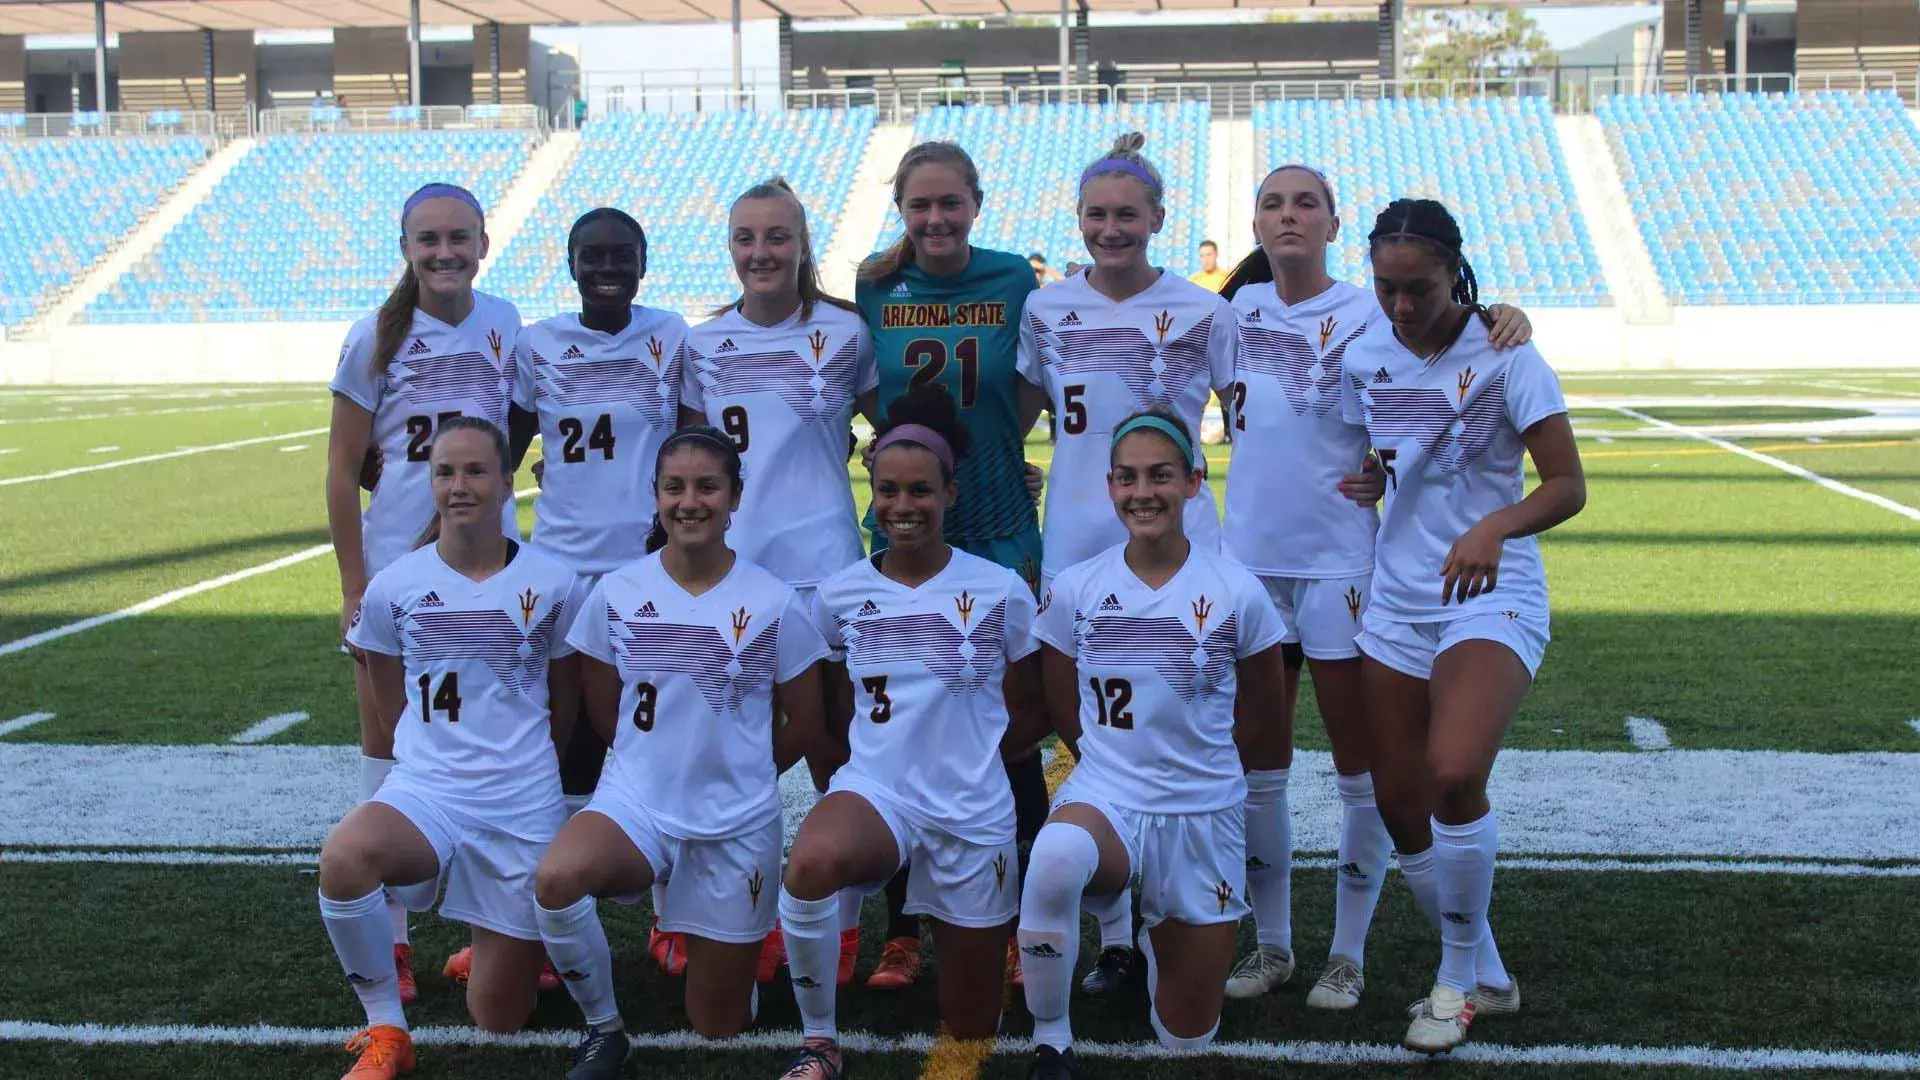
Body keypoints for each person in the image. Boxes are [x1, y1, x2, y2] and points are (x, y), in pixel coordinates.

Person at [1214, 166, 1533, 1007]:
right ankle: (1271, 943)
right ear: (1253, 222)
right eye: (1273, 203)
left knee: (1364, 772)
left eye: (1306, 203)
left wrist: (1507, 314)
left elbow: (1443, 345)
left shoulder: (1370, 307)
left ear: (1332, 222)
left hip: (1349, 562)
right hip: (1247, 561)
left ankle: (1347, 952)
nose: (1288, 216)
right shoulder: (1229, 313)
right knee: (1259, 765)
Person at [1340, 198, 1585, 1053]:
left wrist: (1493, 526)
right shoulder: (1364, 352)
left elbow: (1566, 485)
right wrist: (1375, 479)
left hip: (1492, 589)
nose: (1402, 306)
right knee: (1401, 805)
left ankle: (1451, 981)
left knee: (1452, 774)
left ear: (1457, 273)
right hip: (1396, 602)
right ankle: (1489, 970)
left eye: (1421, 288)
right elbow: (1386, 450)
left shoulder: (1510, 352)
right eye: (1387, 288)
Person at [532, 427, 830, 1078]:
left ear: (734, 498)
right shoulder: (615, 592)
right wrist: (654, 763)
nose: (689, 501)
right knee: (556, 880)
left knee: (718, 1025)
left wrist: (741, 772)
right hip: (638, 803)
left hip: (735, 820)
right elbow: (603, 708)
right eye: (674, 487)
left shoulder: (773, 600)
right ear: (656, 496)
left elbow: (805, 721)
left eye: (706, 487)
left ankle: (729, 957)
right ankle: (604, 1027)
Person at [774, 385, 1049, 1080]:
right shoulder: (838, 595)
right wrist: (853, 780)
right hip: (881, 792)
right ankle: (818, 1042)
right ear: (872, 493)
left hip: (973, 807)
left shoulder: (1000, 589)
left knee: (972, 1020)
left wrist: (972, 752)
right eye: (889, 490)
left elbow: (1032, 708)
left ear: (950, 495)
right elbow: (834, 712)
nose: (903, 507)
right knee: (809, 864)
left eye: (920, 491)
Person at [1016, 133, 1238, 991]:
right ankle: (1118, 934)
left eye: (1127, 215)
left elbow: (1252, 415)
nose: (1112, 229)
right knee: (1090, 725)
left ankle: (1191, 900)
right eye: (1097, 215)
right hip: (1075, 536)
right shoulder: (1046, 309)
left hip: (1182, 542)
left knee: (1185, 716)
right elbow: (1024, 408)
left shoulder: (1202, 310)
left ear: (1157, 220)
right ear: (1079, 220)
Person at [1020, 409, 1286, 1079]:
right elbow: (1060, 700)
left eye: (1161, 476)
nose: (1144, 493)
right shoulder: (1078, 588)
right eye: (1128, 478)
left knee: (1183, 1036)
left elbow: (1264, 716)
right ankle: (1051, 1042)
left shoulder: (1238, 591)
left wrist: (1206, 773)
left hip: (1202, 813)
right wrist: (1112, 769)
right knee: (1054, 858)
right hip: (1110, 796)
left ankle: (1155, 931)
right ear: (1109, 486)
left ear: (1194, 482)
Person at [320, 416, 578, 1080]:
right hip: (429, 791)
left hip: (521, 803)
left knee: (499, 1015)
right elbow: (389, 705)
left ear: (504, 481)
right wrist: (446, 754)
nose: (459, 485)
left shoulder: (555, 583)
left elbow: (565, 704)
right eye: (445, 472)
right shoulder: (394, 586)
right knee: (346, 857)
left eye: (474, 471)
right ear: (429, 482)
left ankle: (492, 936)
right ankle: (386, 1030)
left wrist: (510, 762)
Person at [325, 182, 531, 1004]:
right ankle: (395, 941)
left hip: (488, 571)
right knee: (387, 753)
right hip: (395, 572)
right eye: (427, 239)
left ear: (483, 242)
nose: (444, 252)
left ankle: (497, 929)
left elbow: (522, 427)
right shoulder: (373, 336)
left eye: (459, 237)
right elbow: (343, 471)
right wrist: (354, 581)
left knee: (494, 745)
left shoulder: (506, 323)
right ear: (405, 247)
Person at [854, 140, 1052, 989]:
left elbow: (1032, 384)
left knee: (1009, 731)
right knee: (903, 731)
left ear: (976, 201)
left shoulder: (1014, 279)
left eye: (950, 203)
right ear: (902, 210)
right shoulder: (874, 284)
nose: (935, 219)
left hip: (998, 518)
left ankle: (1014, 921)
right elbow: (866, 389)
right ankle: (903, 927)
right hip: (905, 515)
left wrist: (998, 445)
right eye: (919, 206)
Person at [679, 176, 880, 987]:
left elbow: (893, 431)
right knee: (733, 747)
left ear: (802, 244)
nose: (760, 253)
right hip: (734, 574)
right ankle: (732, 916)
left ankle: (845, 926)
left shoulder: (847, 332)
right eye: (745, 238)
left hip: (826, 566)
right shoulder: (700, 343)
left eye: (776, 237)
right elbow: (686, 457)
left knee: (835, 749)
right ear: (730, 248)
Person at [511, 205, 695, 978]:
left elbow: (693, 439)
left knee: (656, 739)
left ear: (645, 263)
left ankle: (672, 917)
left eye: (622, 254)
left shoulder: (672, 335)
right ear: (571, 263)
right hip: (557, 569)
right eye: (592, 255)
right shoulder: (538, 343)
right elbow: (504, 444)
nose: (608, 267)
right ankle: (546, 927)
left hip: (644, 571)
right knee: (559, 750)